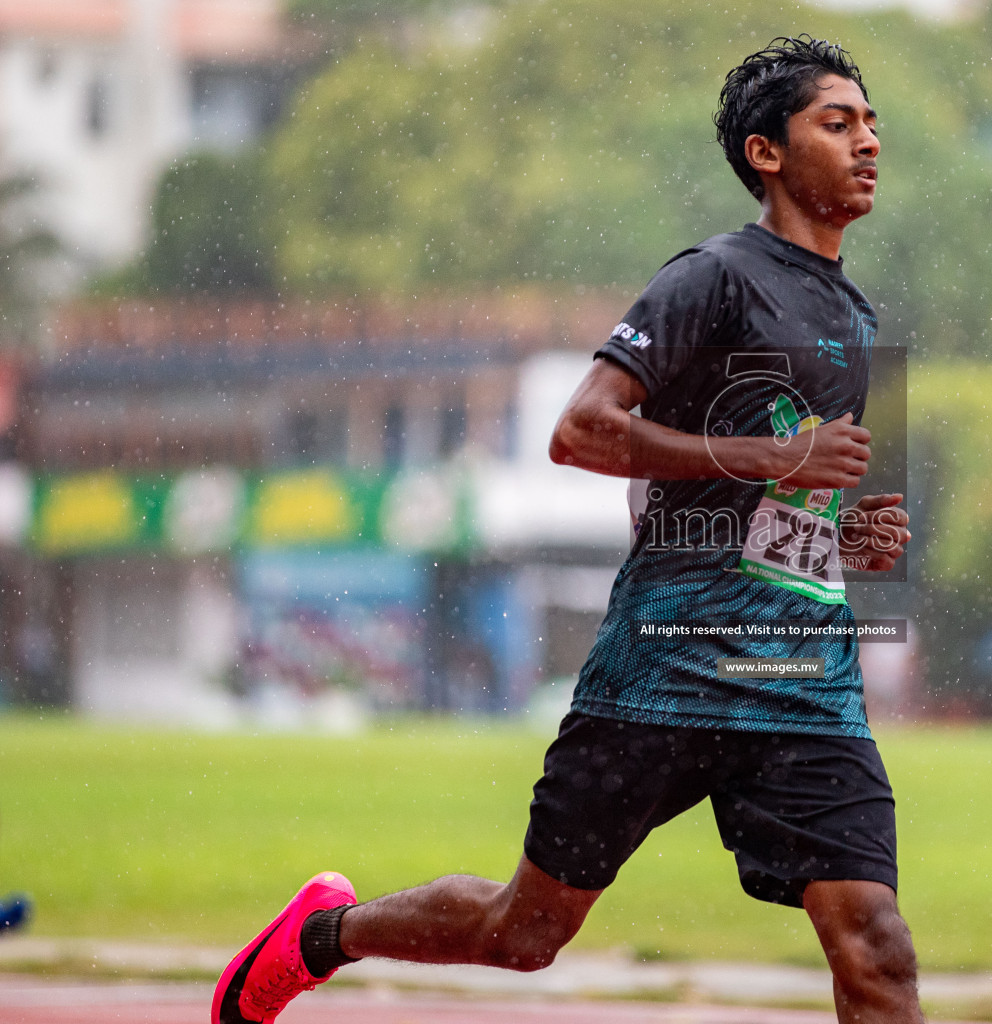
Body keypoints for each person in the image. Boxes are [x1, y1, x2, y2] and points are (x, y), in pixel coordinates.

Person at [213, 35, 919, 1024]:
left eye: (872, 123)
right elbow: (581, 431)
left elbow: (781, 508)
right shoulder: (711, 278)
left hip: (801, 676)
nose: (868, 142)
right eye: (838, 123)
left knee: (877, 947)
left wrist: (849, 533)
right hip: (665, 665)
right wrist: (774, 463)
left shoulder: (856, 314)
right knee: (525, 933)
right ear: (767, 153)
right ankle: (323, 933)